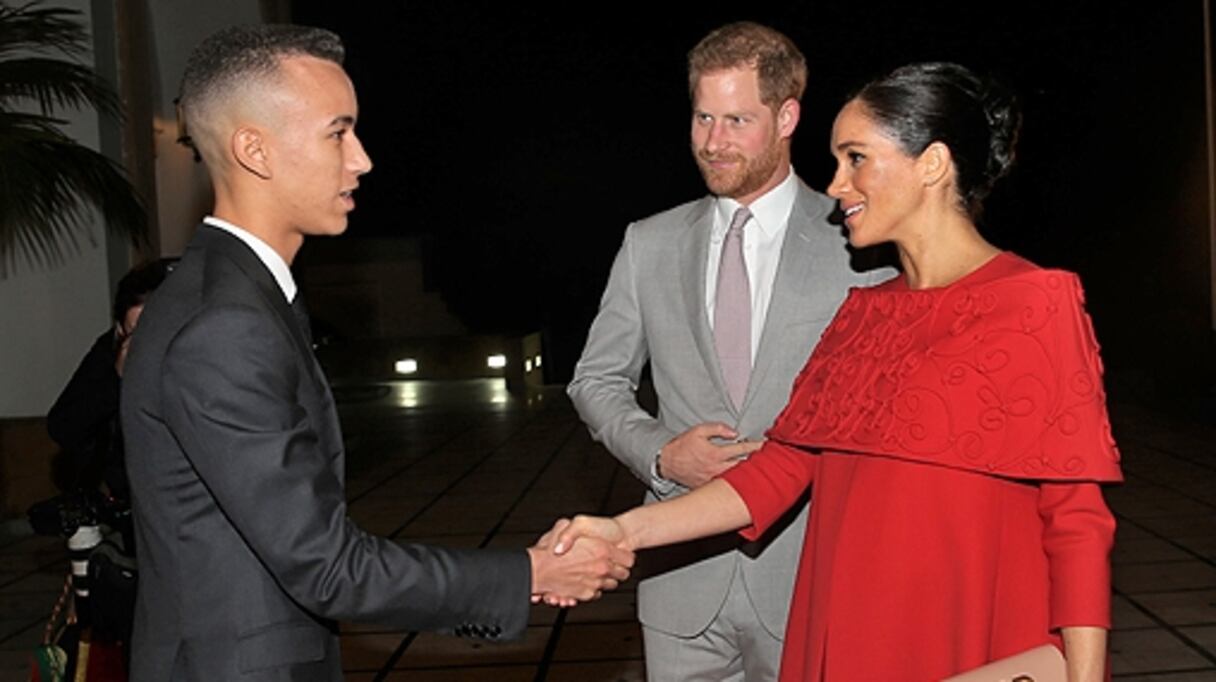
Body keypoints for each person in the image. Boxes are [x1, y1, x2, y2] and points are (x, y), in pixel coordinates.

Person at [552, 62, 1123, 682]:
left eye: (856, 159)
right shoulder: (863, 314)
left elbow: (1076, 519)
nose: (836, 186)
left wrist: (1084, 675)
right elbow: (776, 471)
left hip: (965, 633)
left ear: (930, 164)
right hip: (845, 627)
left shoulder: (1034, 301)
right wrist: (621, 529)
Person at [120, 24, 631, 681]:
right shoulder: (225, 325)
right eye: (338, 133)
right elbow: (324, 565)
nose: (361, 159)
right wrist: (531, 572)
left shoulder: (224, 291)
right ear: (256, 150)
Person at [567, 21, 893, 681]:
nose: (713, 142)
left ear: (787, 116)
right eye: (702, 118)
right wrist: (659, 453)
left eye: (737, 119)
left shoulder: (858, 243)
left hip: (812, 578)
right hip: (680, 582)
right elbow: (595, 381)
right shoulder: (649, 243)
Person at [47, 258, 174, 508]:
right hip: (132, 498)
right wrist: (117, 377)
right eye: (136, 331)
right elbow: (63, 425)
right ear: (120, 329)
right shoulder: (112, 349)